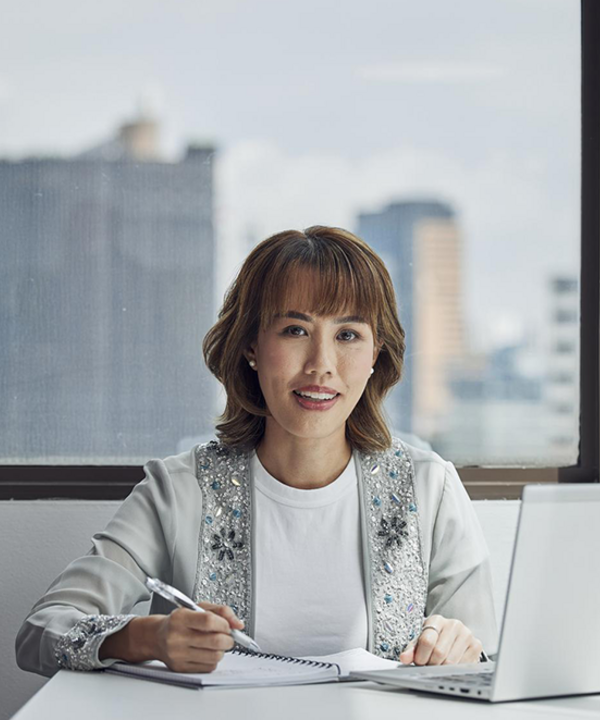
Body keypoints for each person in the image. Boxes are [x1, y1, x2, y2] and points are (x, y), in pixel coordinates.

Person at [16, 226, 498, 677]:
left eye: (347, 335)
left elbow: (485, 659)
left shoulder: (428, 487)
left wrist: (463, 646)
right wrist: (149, 636)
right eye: (295, 330)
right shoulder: (180, 490)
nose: (321, 365)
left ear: (376, 355)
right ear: (250, 344)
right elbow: (40, 631)